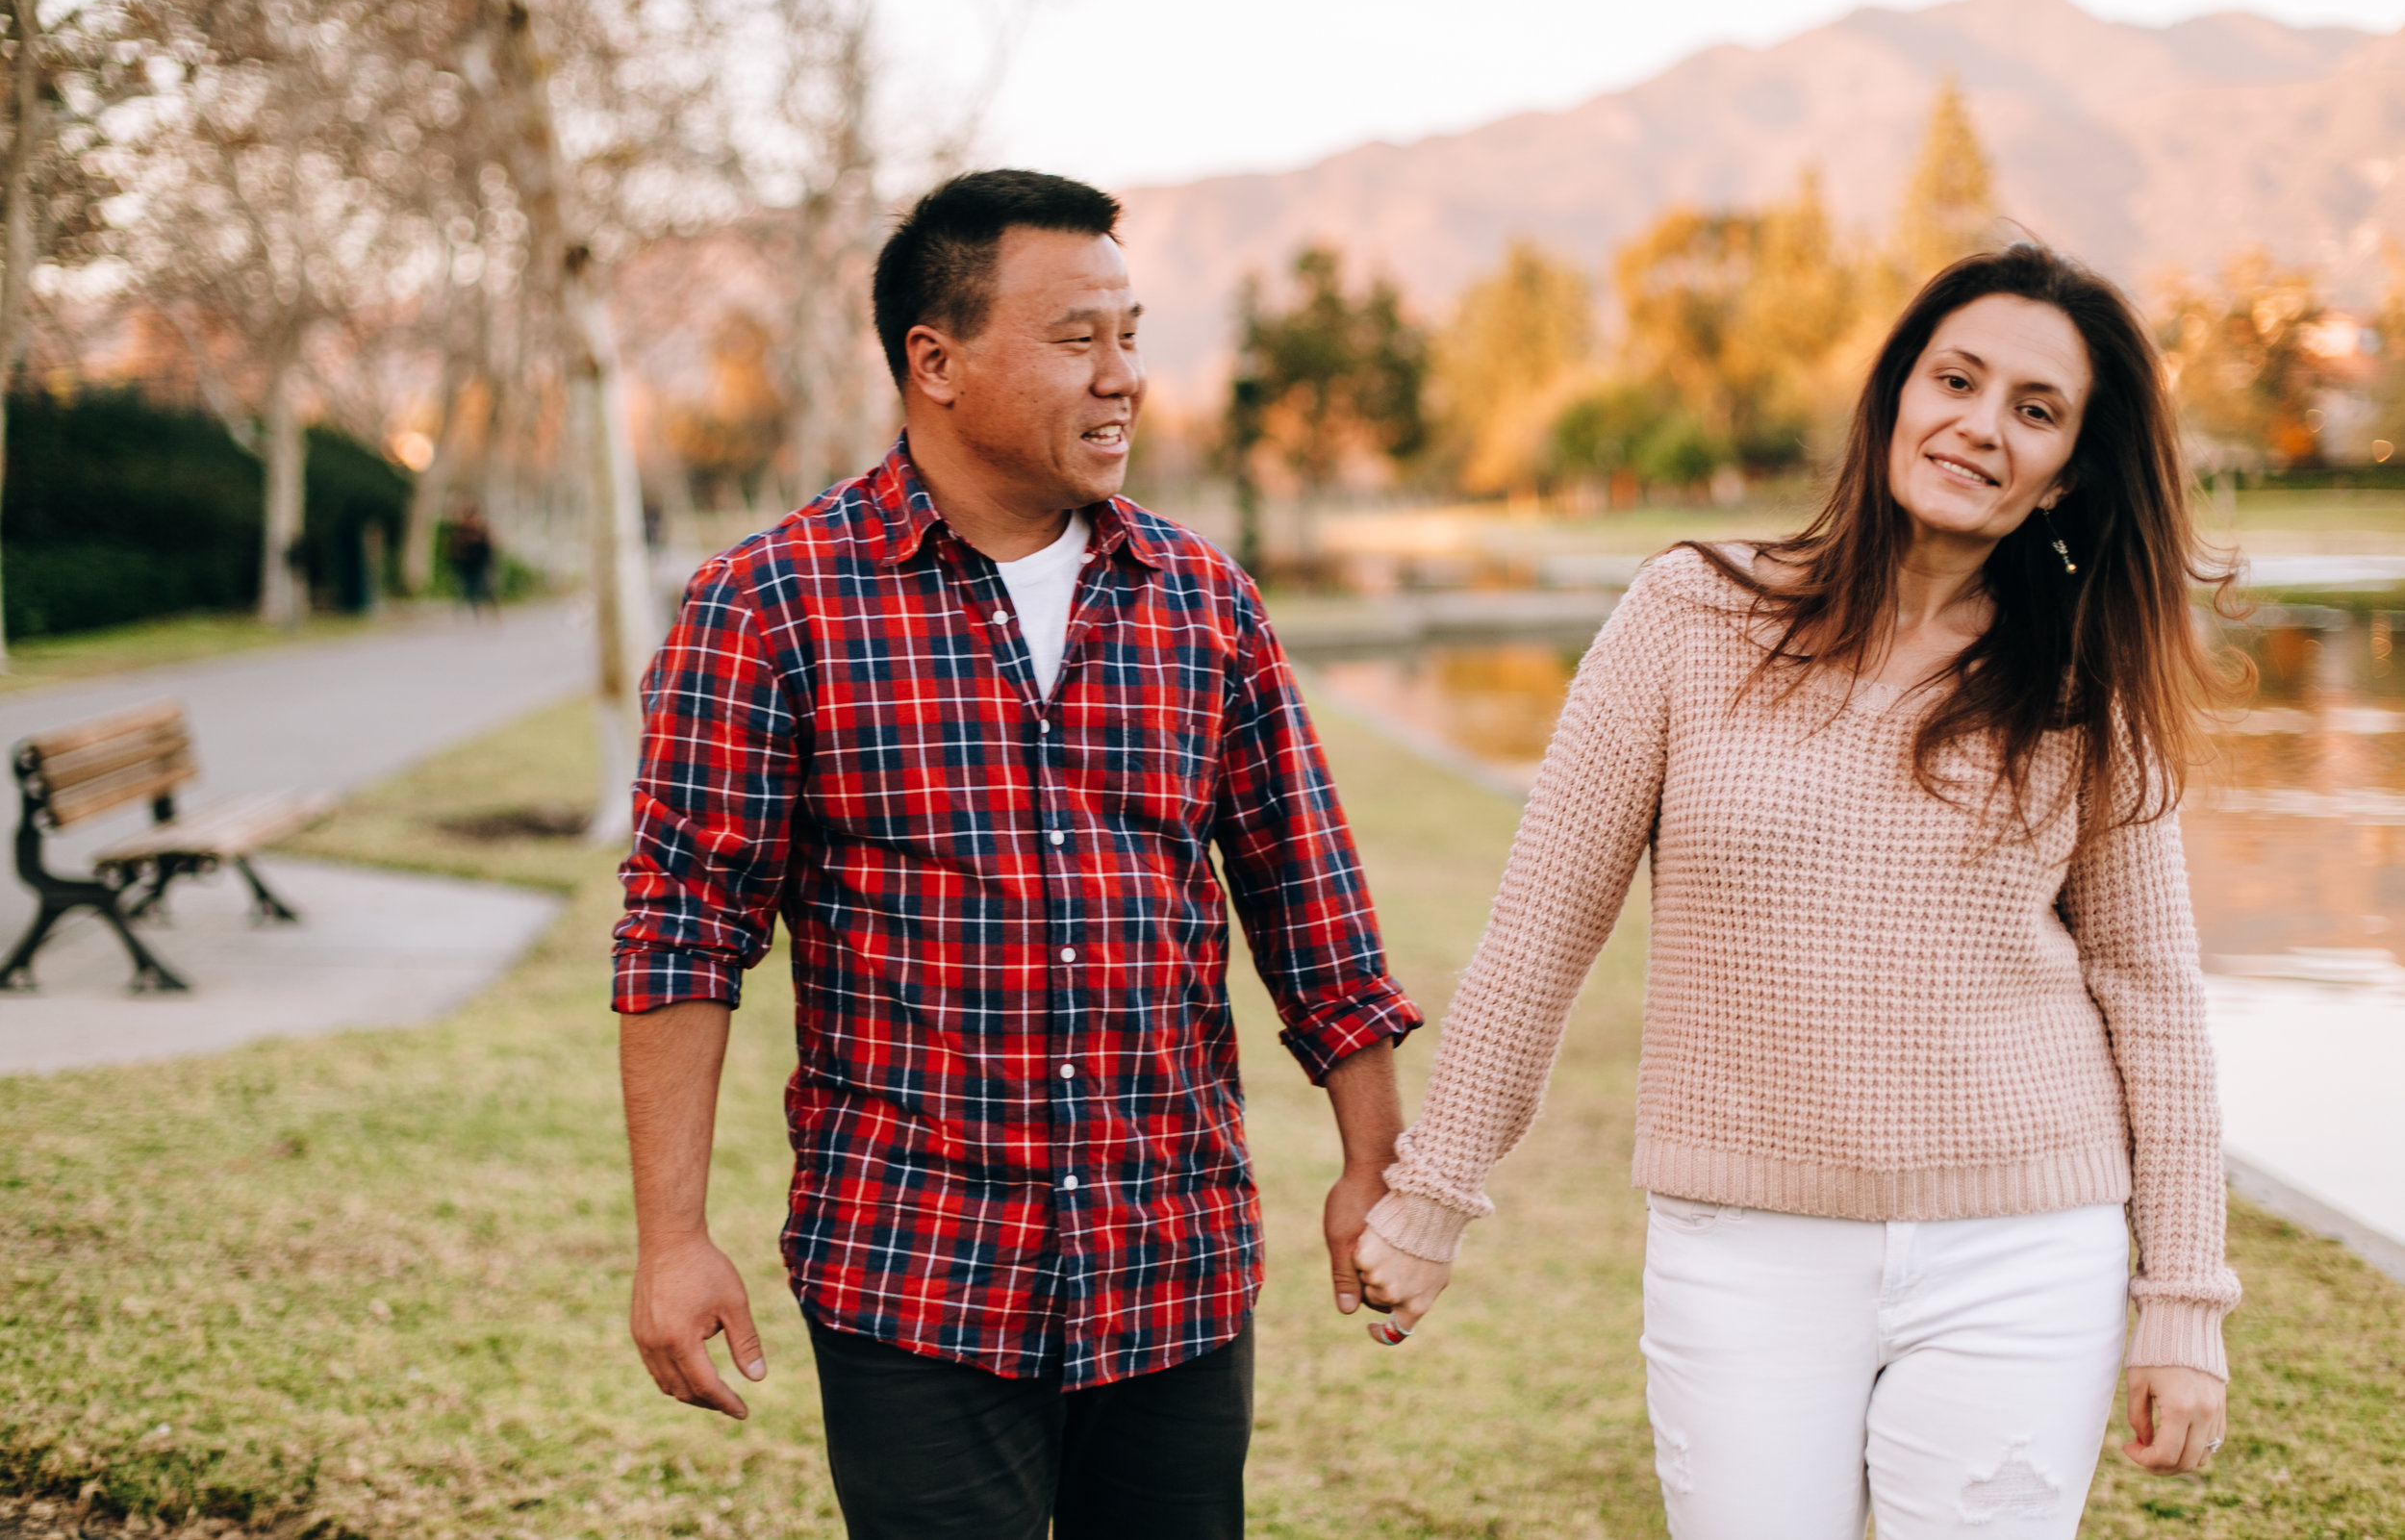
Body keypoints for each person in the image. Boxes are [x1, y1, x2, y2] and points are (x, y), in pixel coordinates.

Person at [1352, 242, 2242, 1538]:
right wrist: (1433, 1197)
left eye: (2035, 411)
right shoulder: (1688, 616)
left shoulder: (2083, 685)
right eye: (1958, 379)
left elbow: (2153, 1001)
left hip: (2024, 1248)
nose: (1981, 426)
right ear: (1893, 395)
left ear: (2068, 476)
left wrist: (2183, 1305)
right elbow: (1542, 932)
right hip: (1746, 1251)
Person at [610, 169, 1421, 1540]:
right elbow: (684, 934)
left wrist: (1373, 1162)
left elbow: (1309, 900)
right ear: (934, 361)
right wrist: (673, 1240)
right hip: (916, 1276)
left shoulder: (1204, 602)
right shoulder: (770, 605)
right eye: (1076, 338)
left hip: (1175, 1270)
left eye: (1132, 333)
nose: (1124, 379)